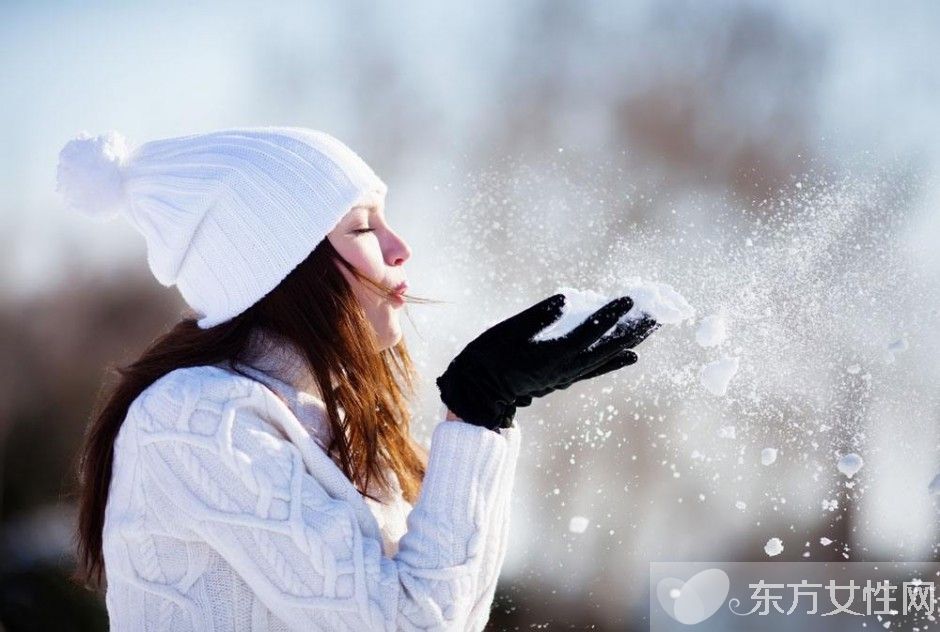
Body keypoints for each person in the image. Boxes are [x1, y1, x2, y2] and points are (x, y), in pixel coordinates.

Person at [55, 126, 658, 631]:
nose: (400, 249)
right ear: (285, 265)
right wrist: (476, 411)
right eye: (363, 227)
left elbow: (445, 617)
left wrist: (489, 415)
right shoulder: (198, 420)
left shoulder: (332, 418)